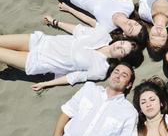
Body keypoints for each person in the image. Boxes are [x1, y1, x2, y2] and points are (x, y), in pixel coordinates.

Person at [0, 15, 141, 90]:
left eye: (122, 50)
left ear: (121, 58)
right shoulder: (102, 35)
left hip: (39, 61)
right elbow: (77, 30)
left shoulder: (101, 70)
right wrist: (55, 22)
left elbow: (73, 78)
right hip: (41, 41)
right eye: (122, 43)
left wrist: (46, 84)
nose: (118, 46)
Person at [43, 62, 138, 136]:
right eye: (116, 72)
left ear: (129, 84)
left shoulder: (129, 113)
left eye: (124, 75)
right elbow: (66, 113)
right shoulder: (89, 89)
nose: (118, 76)